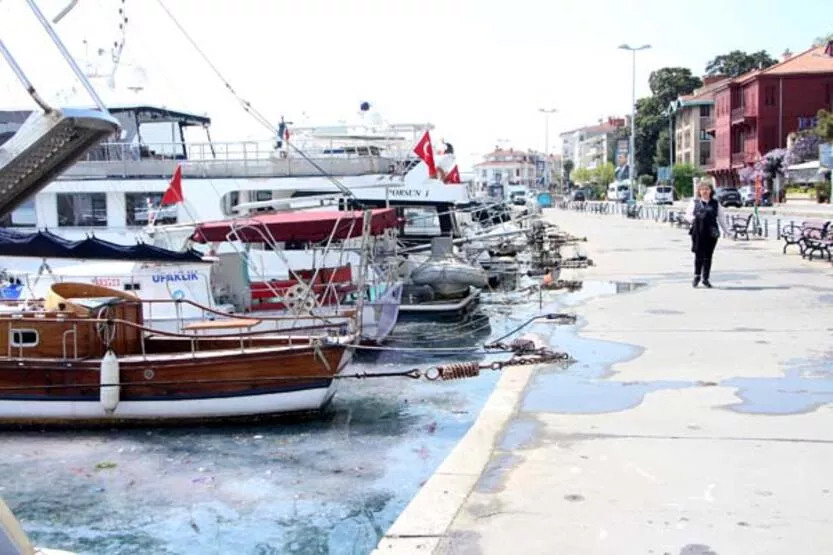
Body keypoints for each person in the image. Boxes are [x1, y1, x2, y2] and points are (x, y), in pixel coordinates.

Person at [686, 181, 730, 288]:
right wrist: (694, 220)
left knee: (708, 256)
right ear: (699, 191)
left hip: (711, 233)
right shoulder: (695, 202)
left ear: (711, 191)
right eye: (702, 189)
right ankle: (697, 276)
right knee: (699, 255)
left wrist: (727, 231)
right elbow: (687, 215)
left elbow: (721, 218)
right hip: (698, 232)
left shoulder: (715, 203)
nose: (705, 191)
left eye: (707, 189)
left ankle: (705, 278)